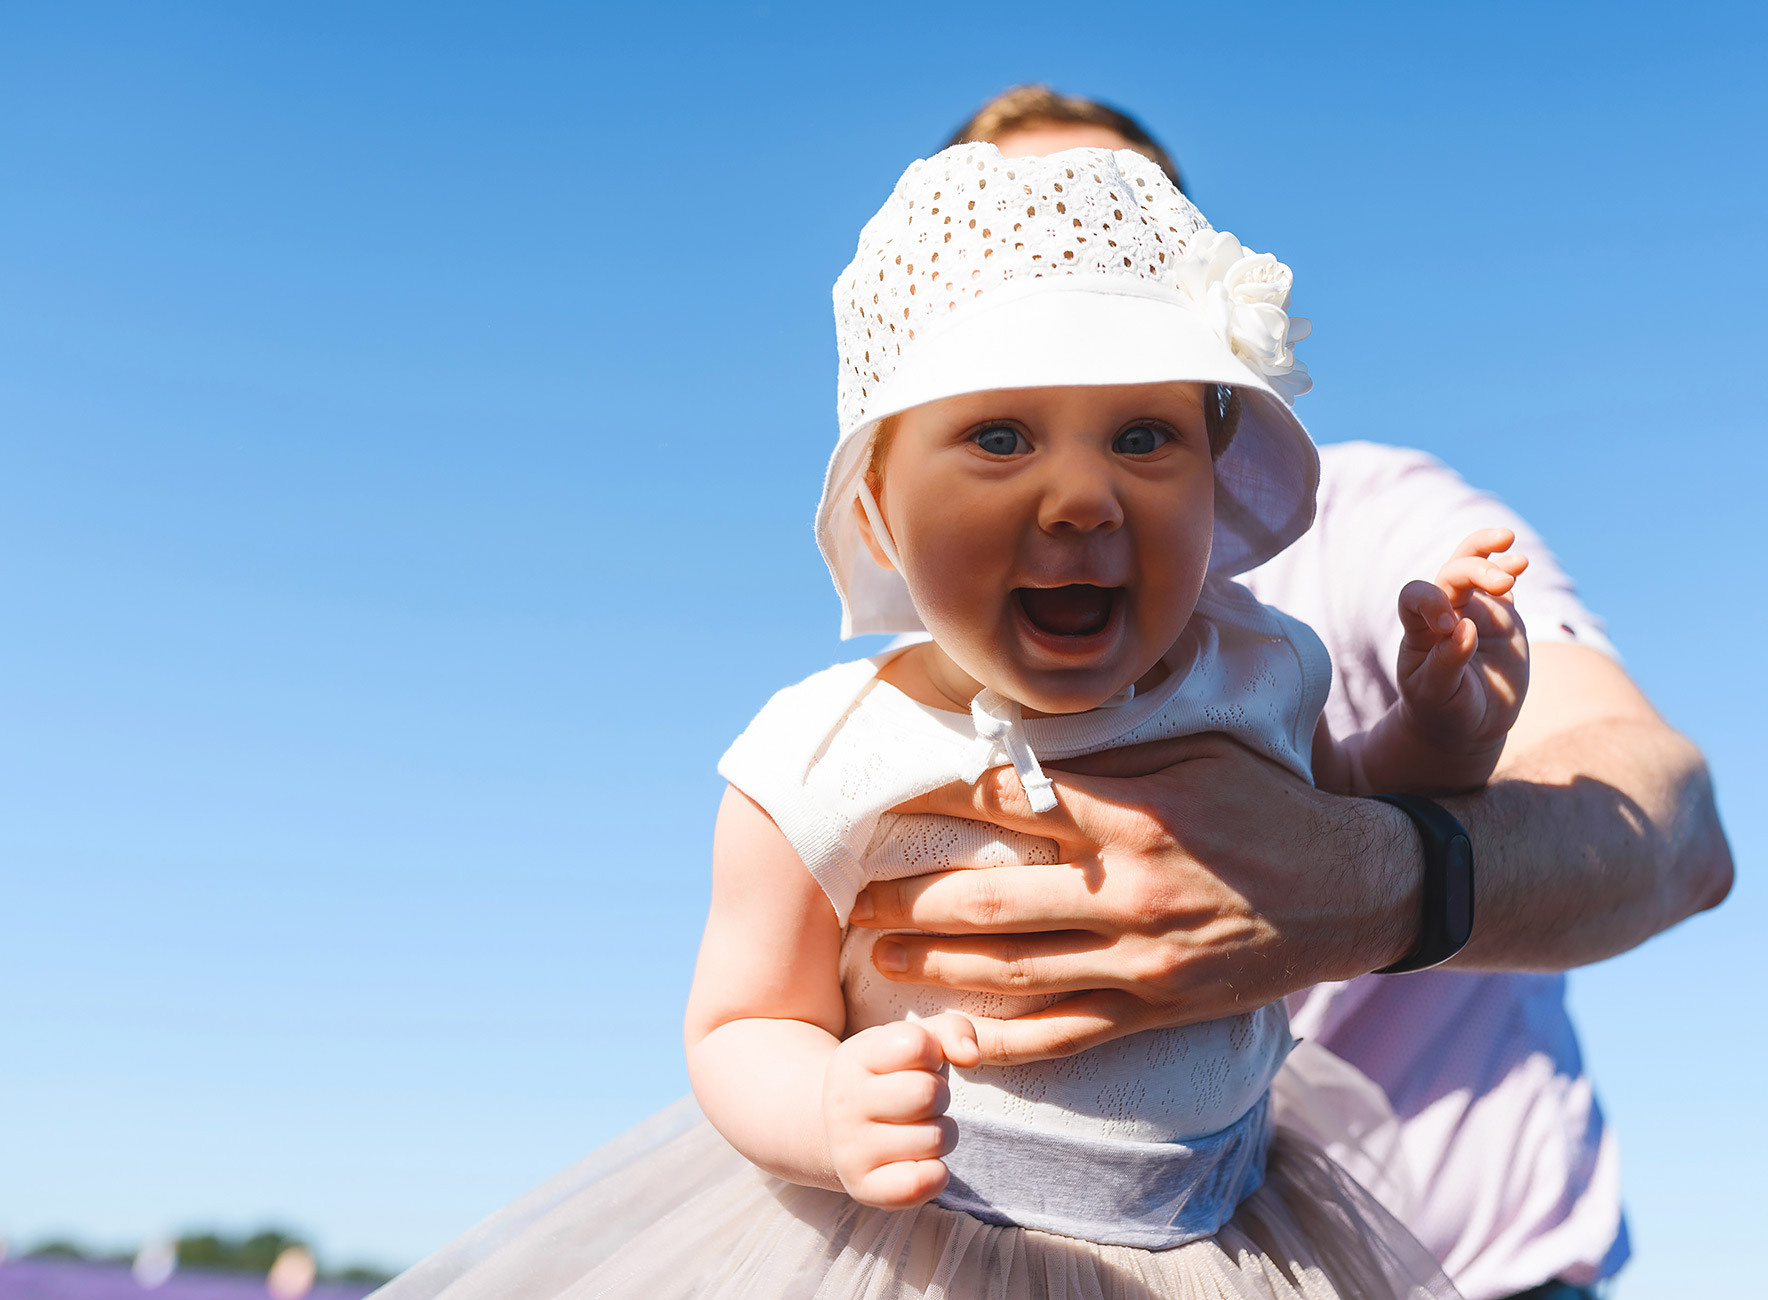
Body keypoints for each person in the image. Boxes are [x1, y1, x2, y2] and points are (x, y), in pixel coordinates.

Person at [378, 142, 1526, 1299]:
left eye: (1141, 436)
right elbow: (737, 1022)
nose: (1081, 497)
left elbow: (1343, 817)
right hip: (928, 1245)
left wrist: (1445, 725)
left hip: (1219, 1236)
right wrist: (825, 1111)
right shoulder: (828, 755)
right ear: (876, 512)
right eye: (999, 436)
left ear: (1213, 475)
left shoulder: (1261, 668)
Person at [829, 87, 1738, 1300]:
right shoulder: (926, 667)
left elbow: (1671, 829)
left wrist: (1363, 868)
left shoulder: (1366, 527)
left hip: (1460, 1272)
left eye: (1109, 237)